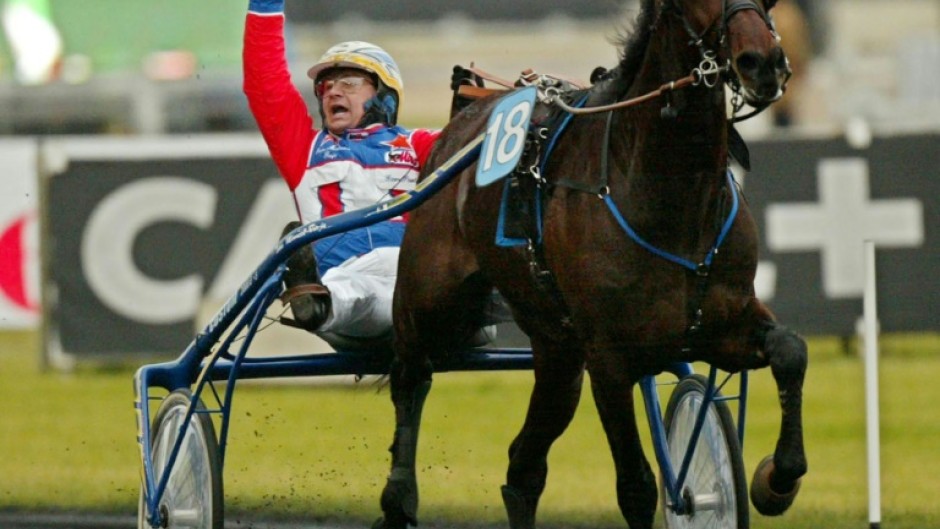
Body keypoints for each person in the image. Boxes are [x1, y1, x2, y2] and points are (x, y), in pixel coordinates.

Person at [243, 0, 441, 342]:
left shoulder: (421, 142)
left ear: (384, 93)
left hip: (420, 272)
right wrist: (265, 5)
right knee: (357, 291)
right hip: (350, 281)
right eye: (326, 85)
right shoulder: (303, 149)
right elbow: (265, 83)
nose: (332, 90)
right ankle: (316, 302)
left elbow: (480, 148)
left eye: (348, 81)